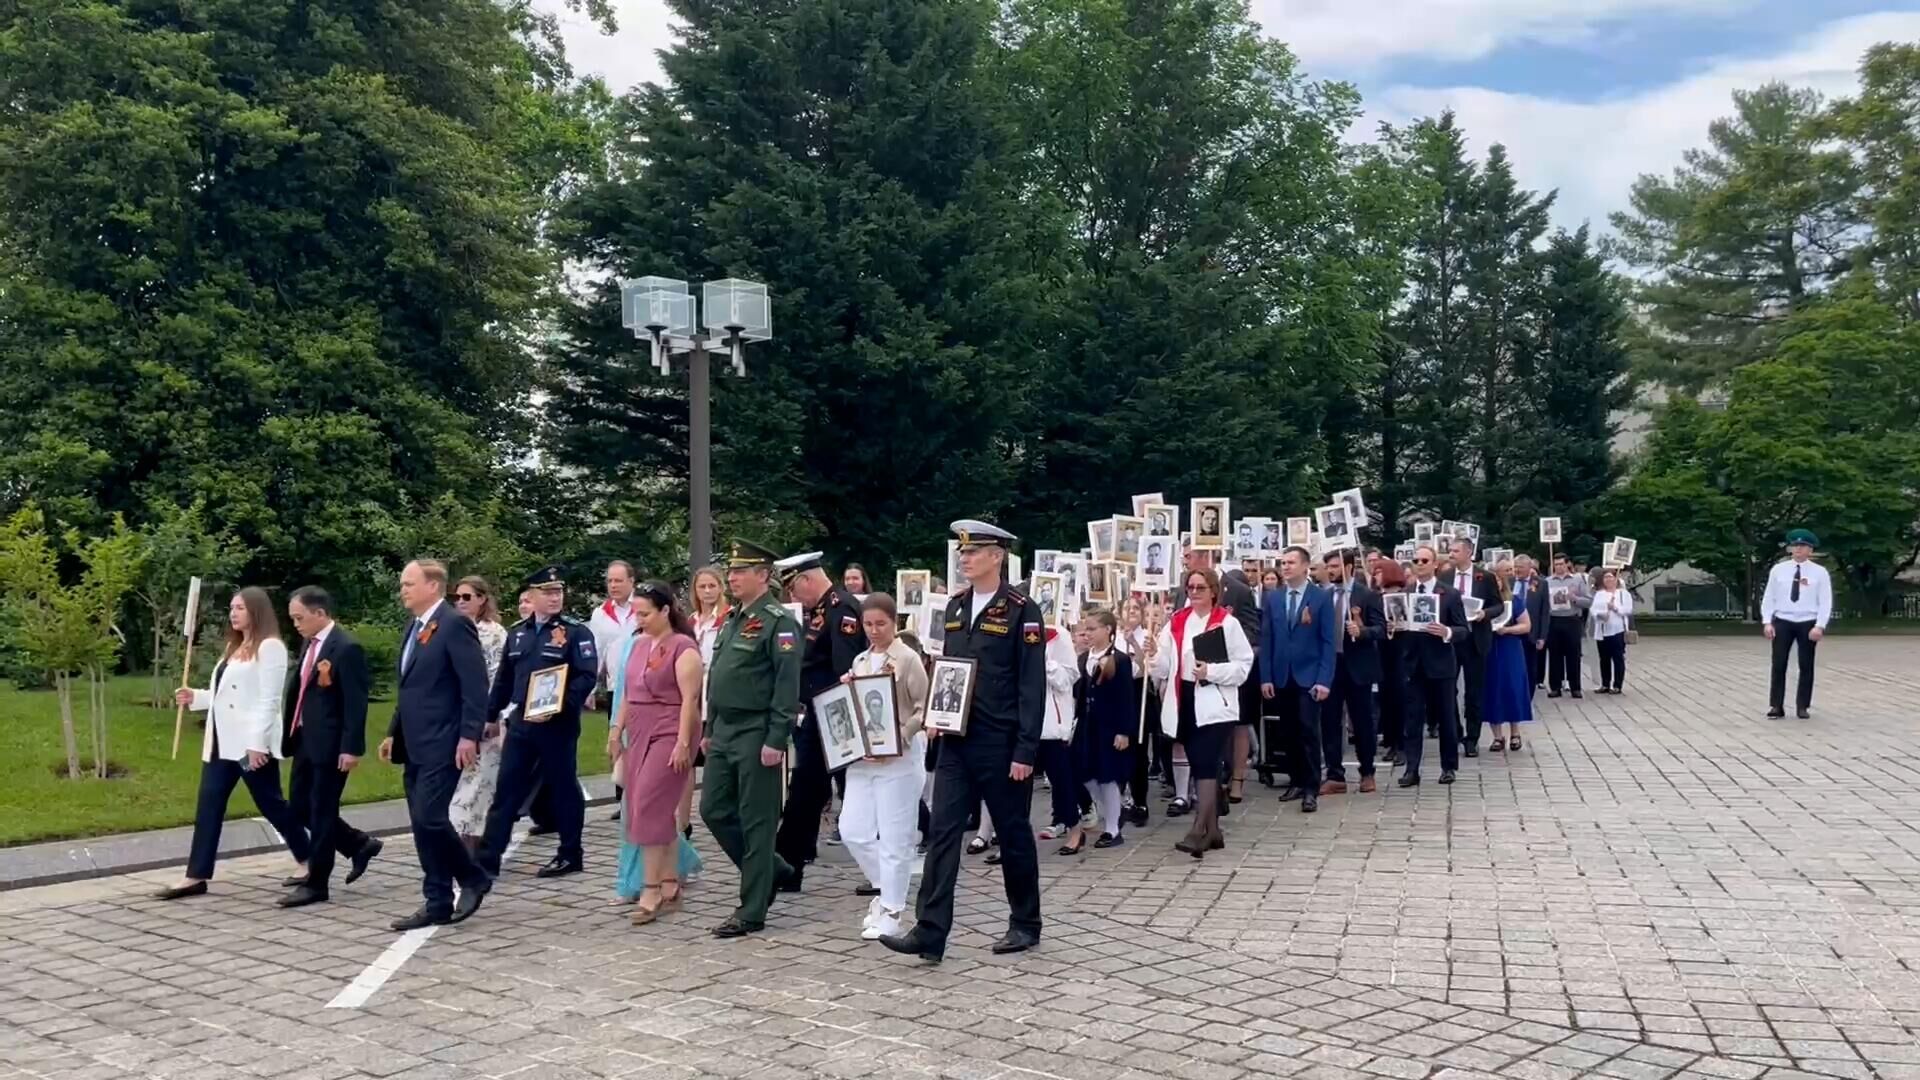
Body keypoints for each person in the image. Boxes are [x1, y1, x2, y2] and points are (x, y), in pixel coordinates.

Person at [880, 520, 1044, 964]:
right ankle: (930, 931)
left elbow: (1032, 685)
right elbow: (948, 671)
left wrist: (1025, 750)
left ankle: (1025, 922)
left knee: (1012, 834)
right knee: (942, 832)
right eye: (962, 553)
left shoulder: (1021, 609)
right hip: (956, 740)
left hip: (1001, 740)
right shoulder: (955, 608)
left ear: (998, 556)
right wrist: (936, 715)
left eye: (975, 552)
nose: (965, 559)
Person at [154, 588, 308, 901]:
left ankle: (310, 857)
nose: (233, 613)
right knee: (208, 805)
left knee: (271, 804)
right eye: (231, 607)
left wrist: (257, 744)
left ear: (256, 610)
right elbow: (228, 696)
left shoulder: (271, 647)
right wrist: (196, 697)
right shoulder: (234, 647)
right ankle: (196, 875)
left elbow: (268, 700)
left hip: (250, 744)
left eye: (240, 607)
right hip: (220, 743)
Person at [379, 560, 491, 929]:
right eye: (403, 583)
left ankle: (472, 877)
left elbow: (474, 685)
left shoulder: (454, 623)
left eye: (409, 583)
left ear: (433, 586)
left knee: (430, 817)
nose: (403, 590)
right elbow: (410, 686)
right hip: (414, 740)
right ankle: (437, 899)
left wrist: (468, 735)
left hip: (444, 740)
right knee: (422, 822)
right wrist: (393, 730)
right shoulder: (415, 627)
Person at [701, 540, 802, 938]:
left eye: (741, 570)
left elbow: (786, 685)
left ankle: (751, 910)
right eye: (731, 570)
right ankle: (771, 869)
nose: (732, 577)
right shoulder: (732, 619)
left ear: (763, 575)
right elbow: (720, 675)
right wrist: (710, 728)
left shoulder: (779, 622)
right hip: (725, 729)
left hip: (757, 730)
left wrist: (777, 738)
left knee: (757, 821)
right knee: (712, 809)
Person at [475, 565, 598, 881]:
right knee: (507, 790)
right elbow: (505, 679)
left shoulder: (575, 632)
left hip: (557, 725)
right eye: (547, 592)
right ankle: (488, 859)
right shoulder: (519, 632)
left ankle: (571, 853)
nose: (555, 597)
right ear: (531, 595)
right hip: (521, 723)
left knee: (563, 788)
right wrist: (491, 715)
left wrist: (561, 706)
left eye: (558, 591)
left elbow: (586, 676)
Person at [278, 587, 383, 908]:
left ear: (320, 613)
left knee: (322, 812)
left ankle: (317, 882)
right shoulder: (310, 644)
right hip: (305, 741)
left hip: (331, 745)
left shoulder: (345, 648)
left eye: (299, 617)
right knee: (299, 807)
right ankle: (357, 843)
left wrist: (351, 748)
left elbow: (355, 703)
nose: (295, 624)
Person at [606, 580, 703, 924]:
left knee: (646, 805)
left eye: (646, 613)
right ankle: (670, 882)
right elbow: (628, 693)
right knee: (649, 807)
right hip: (640, 729)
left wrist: (682, 742)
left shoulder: (684, 648)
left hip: (670, 729)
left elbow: (690, 701)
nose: (640, 619)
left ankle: (650, 888)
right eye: (636, 613)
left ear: (665, 610)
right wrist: (616, 731)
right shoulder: (637, 645)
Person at [772, 551, 867, 890]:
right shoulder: (818, 610)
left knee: (857, 787)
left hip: (835, 713)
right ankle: (789, 866)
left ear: (807, 580)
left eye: (795, 590)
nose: (793, 598)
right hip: (815, 712)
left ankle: (892, 858)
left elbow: (845, 668)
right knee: (807, 790)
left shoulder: (842, 609)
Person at [839, 592, 929, 940]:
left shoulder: (907, 659)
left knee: (894, 837)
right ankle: (887, 884)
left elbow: (924, 706)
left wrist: (901, 737)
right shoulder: (861, 661)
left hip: (899, 761)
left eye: (881, 624)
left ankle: (892, 908)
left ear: (894, 623)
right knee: (853, 830)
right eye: (868, 624)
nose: (874, 630)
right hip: (863, 759)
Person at [1150, 565, 1254, 850]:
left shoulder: (1226, 623)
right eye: (1191, 587)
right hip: (1184, 698)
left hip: (1214, 701)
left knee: (1206, 763)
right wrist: (1150, 654)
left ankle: (1200, 829)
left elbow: (1243, 666)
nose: (1194, 592)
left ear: (1213, 592)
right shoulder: (1177, 622)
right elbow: (1163, 664)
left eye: (1200, 588)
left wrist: (1212, 671)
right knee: (1198, 762)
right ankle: (1215, 831)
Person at [1260, 548, 1335, 813]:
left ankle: (1311, 786)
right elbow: (1267, 638)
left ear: (1305, 567)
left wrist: (1324, 679)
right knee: (1288, 730)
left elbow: (1328, 641)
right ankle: (1296, 779)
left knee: (1308, 730)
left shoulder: (1321, 598)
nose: (1286, 567)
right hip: (1282, 674)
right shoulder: (1273, 598)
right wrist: (1266, 676)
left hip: (1309, 675)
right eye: (1283, 563)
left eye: (1291, 562)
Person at [1397, 546, 1468, 787]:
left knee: (1446, 717)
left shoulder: (1449, 593)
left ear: (1435, 563)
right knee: (1413, 719)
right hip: (1414, 665)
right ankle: (1412, 768)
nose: (1419, 564)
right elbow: (1398, 626)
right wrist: (1394, 627)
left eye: (1424, 560)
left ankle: (1448, 766)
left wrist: (1446, 631)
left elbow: (1462, 630)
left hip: (1440, 664)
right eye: (1415, 560)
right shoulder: (1405, 592)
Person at [448, 576, 509, 848]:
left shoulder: (493, 632)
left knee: (481, 784)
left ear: (482, 599)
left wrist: (491, 716)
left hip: (485, 717)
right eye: (457, 597)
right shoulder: (453, 628)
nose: (460, 602)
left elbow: (497, 678)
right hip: (455, 717)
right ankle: (459, 839)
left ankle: (475, 844)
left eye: (467, 597)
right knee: (461, 783)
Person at [1320, 550, 1384, 795]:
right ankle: (1335, 774)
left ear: (1348, 567)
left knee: (1362, 721)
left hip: (1358, 666)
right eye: (1328, 566)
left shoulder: (1367, 595)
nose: (1331, 571)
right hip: (1330, 666)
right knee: (1329, 721)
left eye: (1335, 566)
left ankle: (1367, 771)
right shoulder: (1325, 595)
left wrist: (1363, 631)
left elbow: (1380, 629)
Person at [1073, 611, 1135, 849]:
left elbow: (1125, 697)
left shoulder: (1119, 660)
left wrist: (1124, 730)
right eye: (1085, 630)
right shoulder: (1082, 659)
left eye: (1092, 629)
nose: (1087, 634)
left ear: (1108, 630)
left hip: (1109, 725)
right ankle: (1112, 809)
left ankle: (1112, 828)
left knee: (1107, 774)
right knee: (1085, 772)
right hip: (1087, 724)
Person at [1761, 529, 1831, 719]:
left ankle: (1802, 706)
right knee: (1779, 663)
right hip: (1783, 620)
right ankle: (1776, 705)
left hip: (1807, 621)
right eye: (1795, 546)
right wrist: (1767, 621)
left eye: (1803, 546)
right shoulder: (1779, 570)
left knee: (1806, 665)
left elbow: (1825, 601)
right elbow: (1769, 597)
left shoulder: (1819, 572)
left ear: (1810, 549)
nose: (1798, 549)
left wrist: (1820, 625)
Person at [1445, 538, 1502, 757]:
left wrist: (1484, 614)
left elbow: (1497, 604)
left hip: (1476, 639)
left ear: (1469, 552)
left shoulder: (1484, 577)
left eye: (1456, 550)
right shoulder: (1445, 576)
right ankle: (1456, 730)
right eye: (1450, 550)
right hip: (1452, 639)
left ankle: (1472, 737)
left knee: (1474, 691)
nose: (1451, 554)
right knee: (1449, 688)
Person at [1482, 559, 1535, 752]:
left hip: (1509, 648)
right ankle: (1497, 737)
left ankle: (1515, 733)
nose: (1494, 583)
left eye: (1497, 580)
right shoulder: (1483, 603)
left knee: (1512, 688)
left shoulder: (1513, 600)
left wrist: (1509, 630)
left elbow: (1526, 625)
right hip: (1488, 648)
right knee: (1491, 689)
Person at [1369, 558, 1409, 767]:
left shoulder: (1403, 597)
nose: (1375, 576)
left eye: (1378, 572)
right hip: (1382, 652)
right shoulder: (1375, 598)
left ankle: (1402, 745)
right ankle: (1392, 741)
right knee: (1386, 699)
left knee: (1400, 699)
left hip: (1400, 652)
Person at [1544, 553, 1592, 698]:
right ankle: (1555, 686)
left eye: (1561, 564)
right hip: (1554, 620)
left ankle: (1575, 687)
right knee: (1554, 655)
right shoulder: (1547, 581)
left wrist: (1574, 598)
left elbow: (1589, 601)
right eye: (1556, 564)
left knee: (1573, 654)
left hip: (1572, 620)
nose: (1558, 567)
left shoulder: (1577, 580)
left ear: (1567, 564)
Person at [1590, 569, 1634, 695]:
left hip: (1617, 630)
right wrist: (1601, 614)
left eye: (1610, 577)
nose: (1608, 580)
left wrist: (1614, 608)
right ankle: (1605, 683)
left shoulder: (1623, 594)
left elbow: (1628, 610)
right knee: (1604, 658)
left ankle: (1617, 685)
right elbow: (1593, 610)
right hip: (1602, 630)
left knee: (1618, 658)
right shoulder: (1600, 594)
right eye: (1605, 577)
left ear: (1616, 579)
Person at [1513, 555, 1548, 692]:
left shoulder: (1541, 584)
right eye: (1515, 566)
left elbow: (1544, 612)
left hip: (1531, 634)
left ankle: (1529, 695)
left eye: (1520, 567)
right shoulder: (1508, 581)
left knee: (1530, 668)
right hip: (1512, 632)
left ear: (1529, 568)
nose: (1517, 570)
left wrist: (1542, 637)